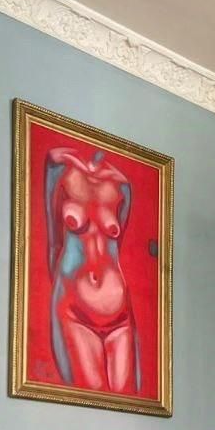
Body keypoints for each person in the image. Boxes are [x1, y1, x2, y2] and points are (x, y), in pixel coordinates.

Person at [45, 148, 140, 393]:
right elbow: (54, 242)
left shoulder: (122, 185)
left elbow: (116, 250)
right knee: (91, 394)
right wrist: (68, 292)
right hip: (76, 310)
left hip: (120, 312)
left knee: (127, 402)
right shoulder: (59, 167)